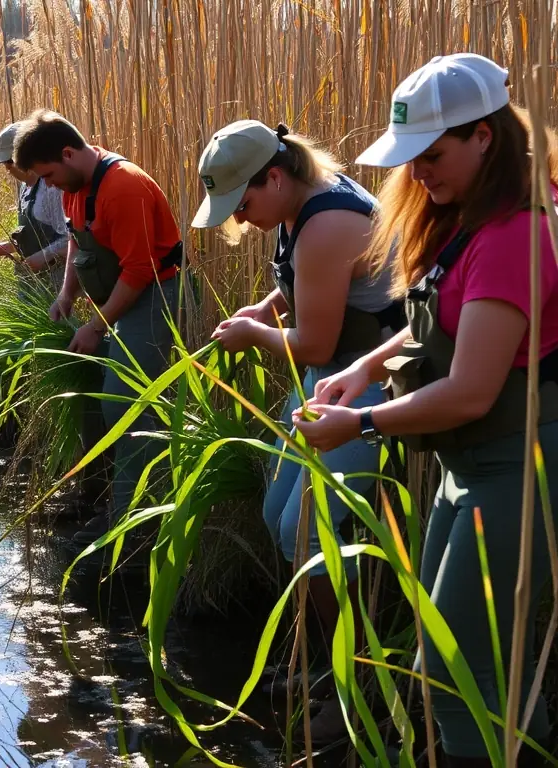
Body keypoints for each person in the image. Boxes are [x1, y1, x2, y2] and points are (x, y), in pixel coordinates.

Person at [294, 53, 558, 766]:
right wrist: (363, 367)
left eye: (432, 154)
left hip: (515, 465)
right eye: (410, 158)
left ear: (486, 137)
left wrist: (365, 423)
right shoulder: (467, 219)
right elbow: (444, 314)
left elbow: (472, 388)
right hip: (463, 463)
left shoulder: (517, 234)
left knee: (460, 668)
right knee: (442, 649)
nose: (417, 174)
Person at [192, 118, 405, 740]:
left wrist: (255, 334)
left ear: (276, 176)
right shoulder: (299, 207)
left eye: (245, 202)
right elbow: (308, 286)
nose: (242, 217)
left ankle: (351, 684)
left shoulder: (328, 221)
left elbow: (316, 340)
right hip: (327, 378)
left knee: (306, 531)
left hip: (367, 384)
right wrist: (266, 307)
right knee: (277, 514)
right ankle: (317, 658)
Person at [12, 110, 184, 544]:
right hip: (111, 301)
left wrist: (96, 325)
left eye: (48, 174)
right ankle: (97, 495)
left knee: (127, 406)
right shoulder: (75, 186)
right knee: (93, 397)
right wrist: (66, 295)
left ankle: (135, 522)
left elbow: (141, 271)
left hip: (152, 299)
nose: (47, 184)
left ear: (68, 154)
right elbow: (76, 241)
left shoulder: (122, 186)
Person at [0, 122, 69, 296]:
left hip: (57, 286)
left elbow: (71, 240)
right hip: (30, 285)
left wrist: (43, 257)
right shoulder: (25, 187)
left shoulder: (53, 189)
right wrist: (5, 247)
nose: (7, 168)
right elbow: (35, 236)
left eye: (9, 161)